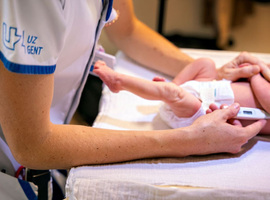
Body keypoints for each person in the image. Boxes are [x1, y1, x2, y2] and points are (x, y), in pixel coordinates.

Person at [0, 0, 268, 198]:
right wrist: (188, 141)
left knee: (169, 92)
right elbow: (33, 144)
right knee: (168, 93)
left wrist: (209, 77)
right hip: (12, 155)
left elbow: (127, 31)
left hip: (45, 146)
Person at [93, 55, 270, 134]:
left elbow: (265, 96)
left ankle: (120, 82)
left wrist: (256, 74)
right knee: (205, 64)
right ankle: (174, 85)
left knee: (173, 94)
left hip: (202, 111)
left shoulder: (262, 83)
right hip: (210, 88)